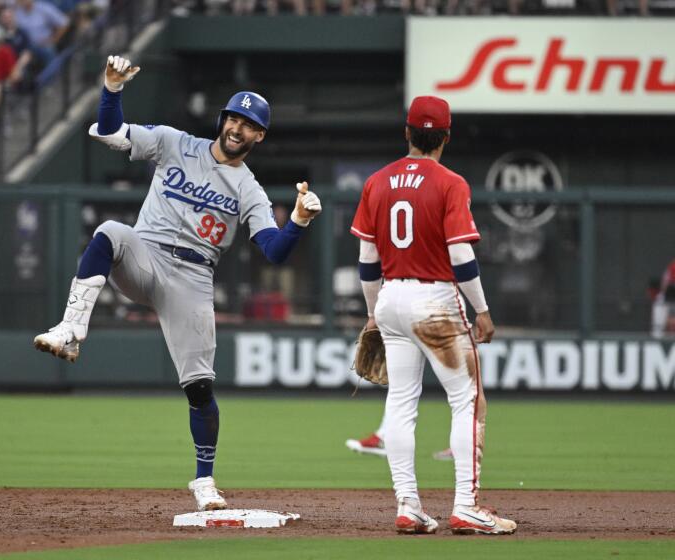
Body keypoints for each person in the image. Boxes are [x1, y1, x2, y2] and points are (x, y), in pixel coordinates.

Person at [33, 55, 322, 512]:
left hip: (191, 278)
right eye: (233, 117)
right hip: (144, 255)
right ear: (222, 118)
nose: (236, 127)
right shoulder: (175, 142)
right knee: (110, 231)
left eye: (248, 124)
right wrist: (111, 90)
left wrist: (299, 222)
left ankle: (204, 479)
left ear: (259, 136)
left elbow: (273, 249)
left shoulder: (249, 188)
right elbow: (111, 133)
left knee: (200, 387)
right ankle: (71, 328)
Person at [349, 95, 516, 535]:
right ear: (445, 136)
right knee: (466, 401)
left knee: (401, 404)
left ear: (407, 133)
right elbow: (461, 256)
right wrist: (481, 309)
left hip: (390, 297)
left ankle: (408, 506)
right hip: (436, 301)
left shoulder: (377, 182)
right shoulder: (450, 182)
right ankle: (466, 505)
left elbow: (367, 259)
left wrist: (372, 313)